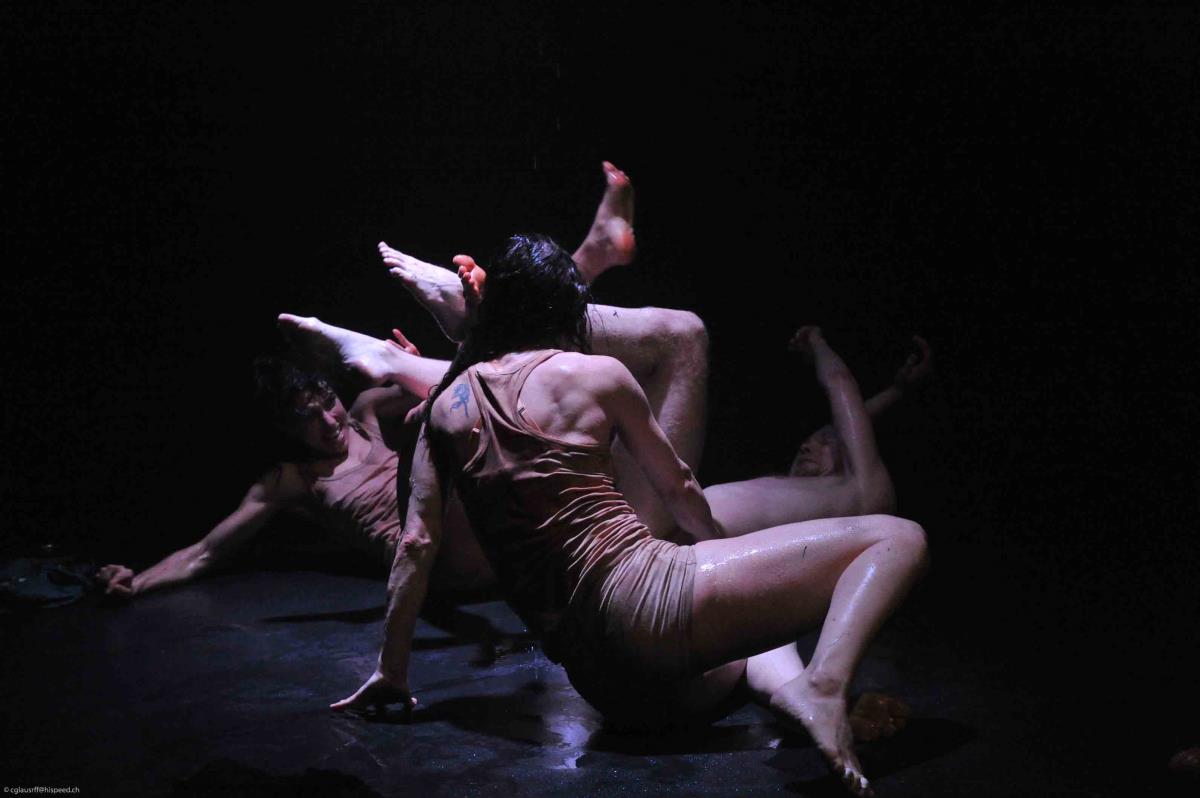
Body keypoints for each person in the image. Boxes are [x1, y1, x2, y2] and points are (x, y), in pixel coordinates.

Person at [330, 234, 929, 796]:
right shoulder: (595, 374)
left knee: (754, 626)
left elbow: (415, 545)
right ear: (570, 313)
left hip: (616, 693)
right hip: (651, 616)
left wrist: (392, 670)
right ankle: (824, 686)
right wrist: (712, 549)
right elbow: (680, 492)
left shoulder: (443, 412)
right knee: (898, 539)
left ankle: (792, 692)